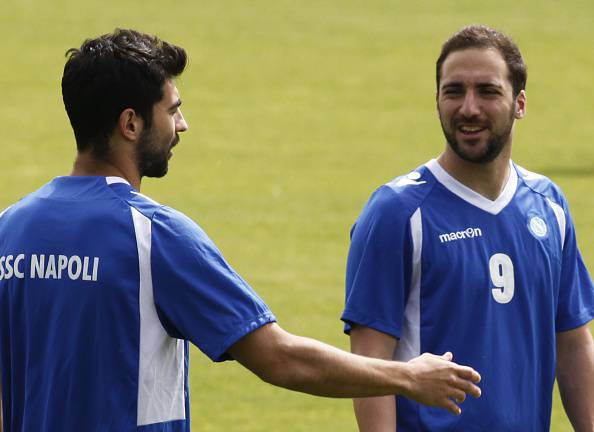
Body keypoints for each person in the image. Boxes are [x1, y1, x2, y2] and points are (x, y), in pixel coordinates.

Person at [0, 29, 482, 432]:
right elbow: (279, 357)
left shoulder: (10, 229)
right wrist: (406, 377)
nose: (182, 125)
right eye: (171, 110)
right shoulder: (152, 235)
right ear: (130, 123)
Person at [342, 24, 594, 431]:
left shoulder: (549, 206)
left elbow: (573, 341)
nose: (468, 108)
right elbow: (370, 365)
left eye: (488, 92)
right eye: (454, 91)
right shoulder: (397, 213)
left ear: (520, 103)